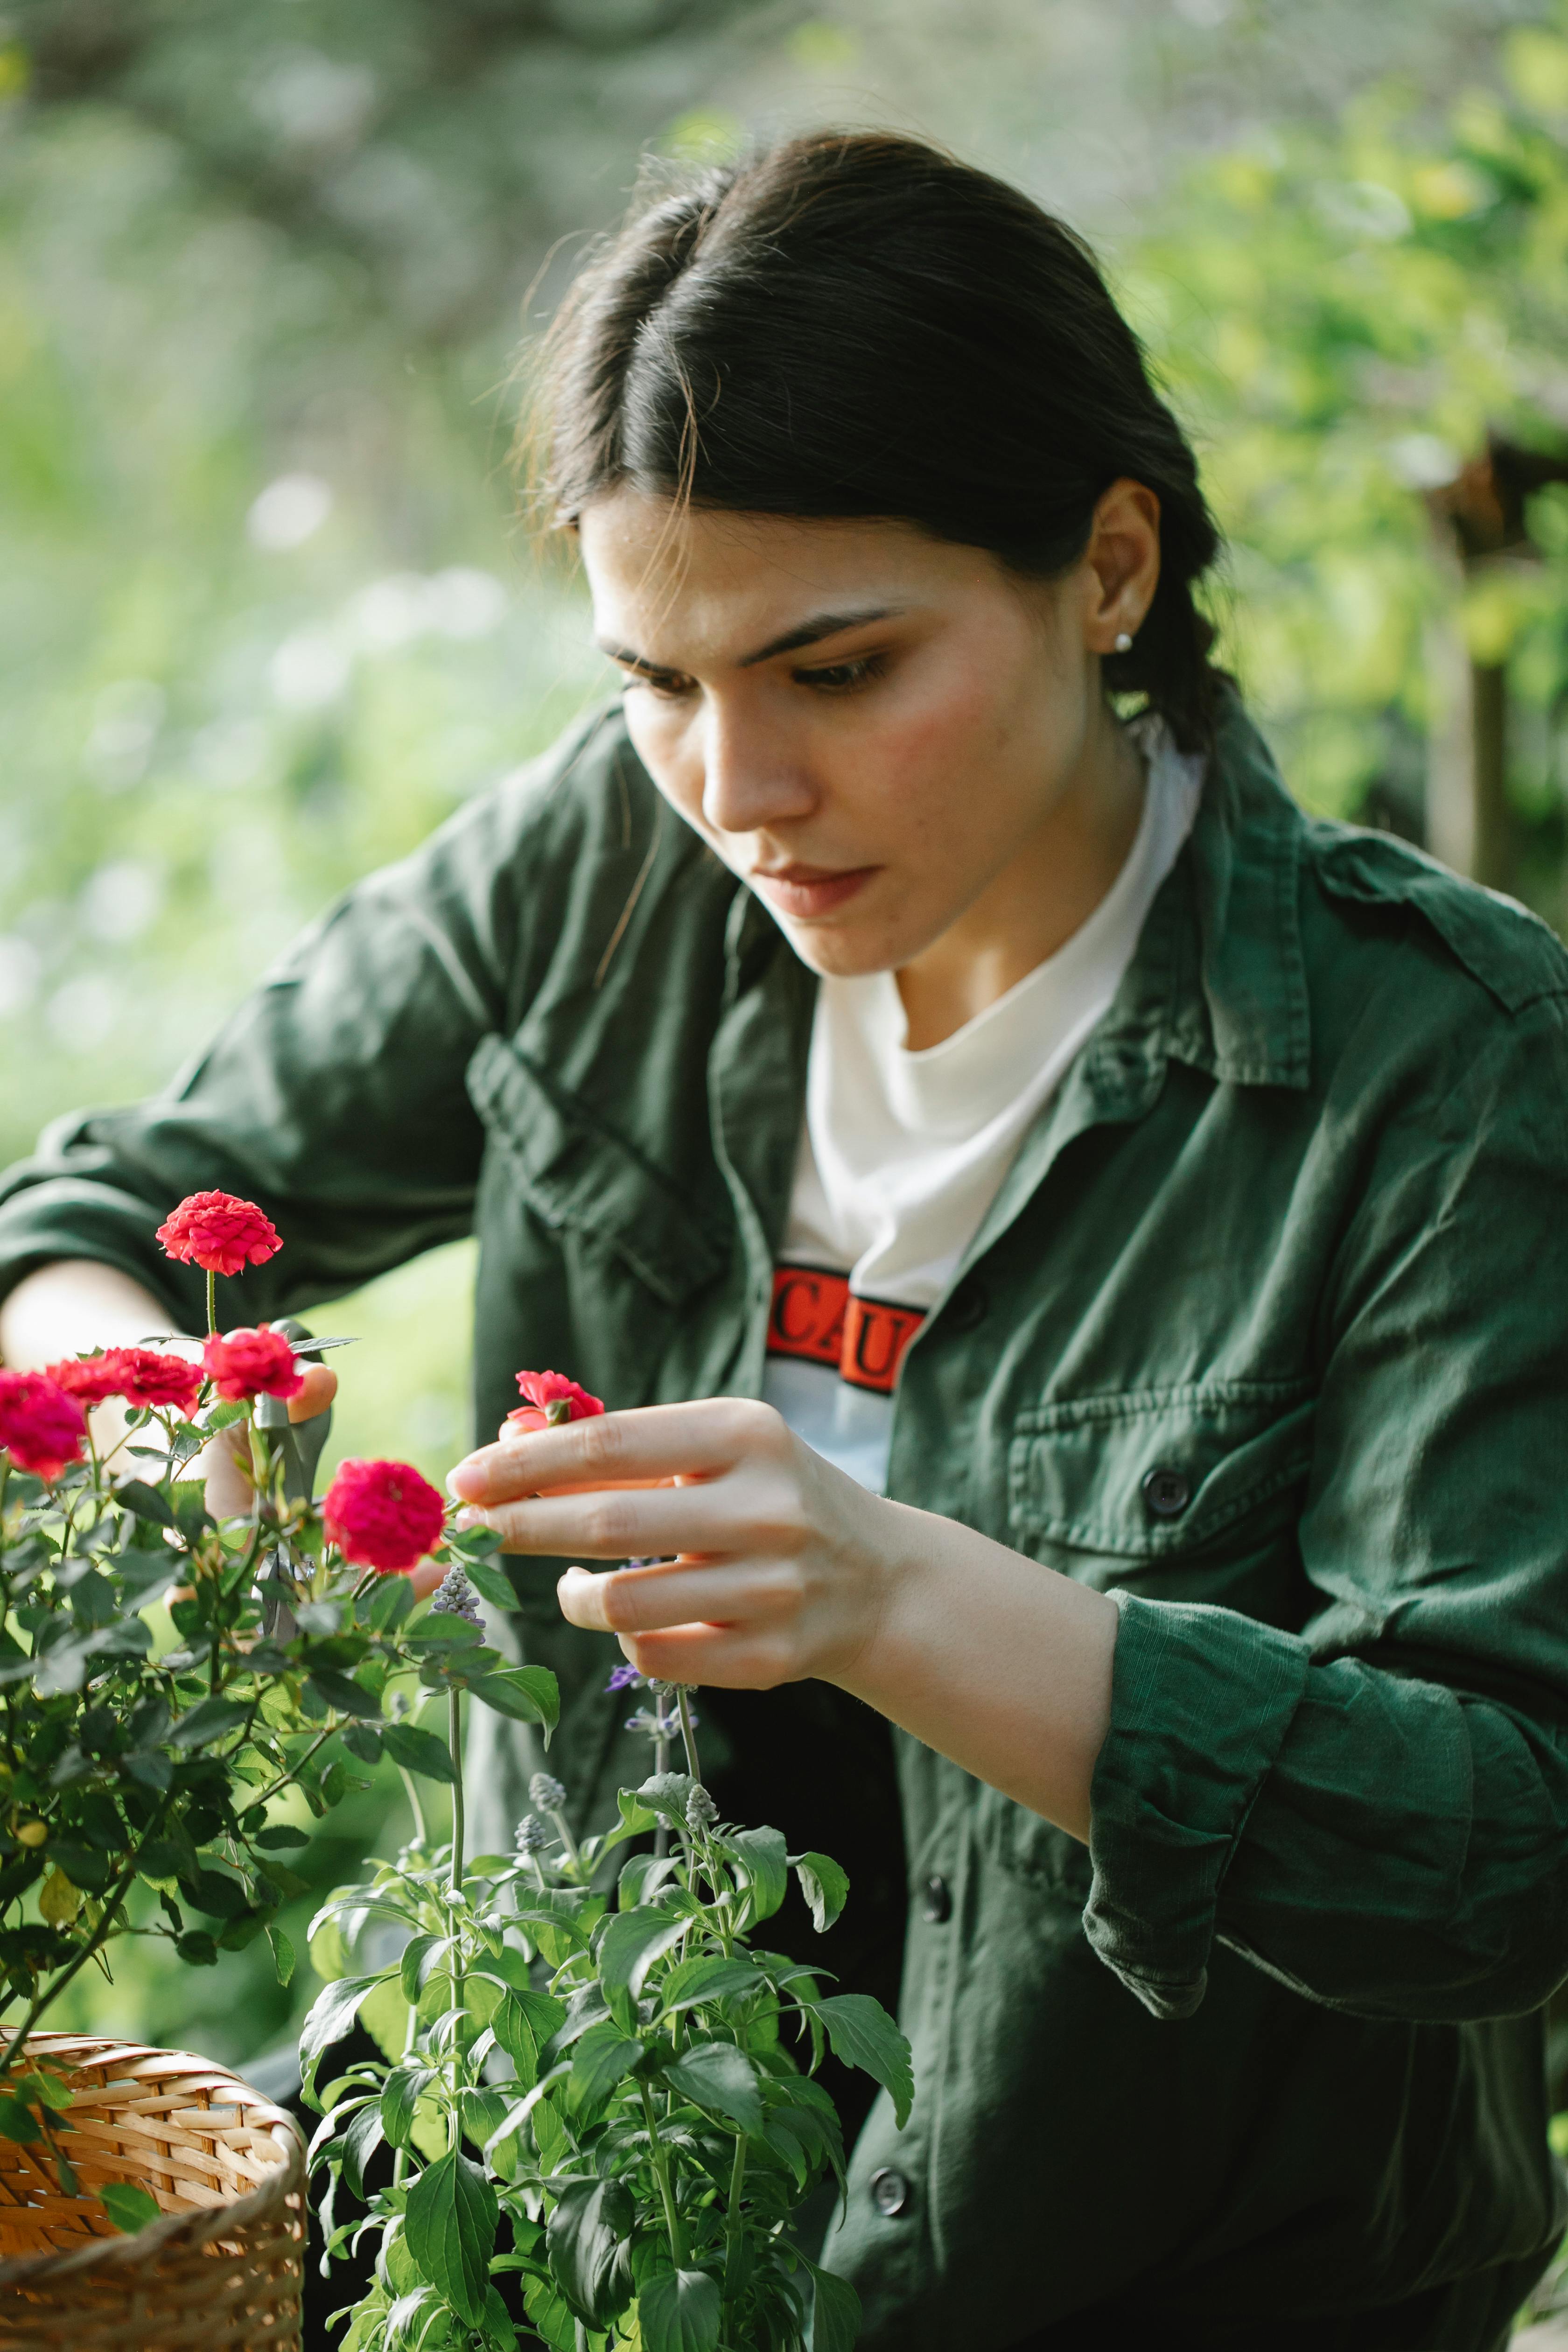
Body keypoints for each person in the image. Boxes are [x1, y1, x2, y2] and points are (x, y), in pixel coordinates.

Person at [3, 129, 1568, 2352]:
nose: (737, 789)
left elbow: (1500, 1847)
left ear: (1109, 567)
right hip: (567, 2184)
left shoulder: (1445, 1065)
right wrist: (151, 1421)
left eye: (837, 672)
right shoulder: (600, 875)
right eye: (659, 681)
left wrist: (892, 1586)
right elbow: (89, 1220)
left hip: (1156, 2279)